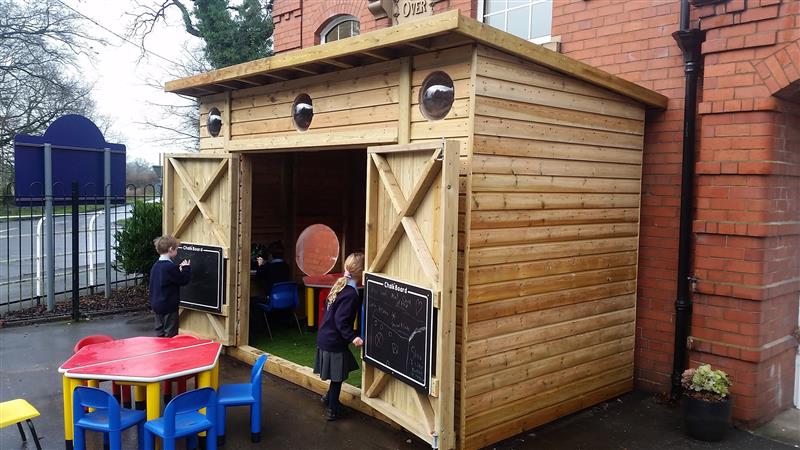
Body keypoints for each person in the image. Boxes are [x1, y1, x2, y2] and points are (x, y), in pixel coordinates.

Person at [313, 252, 364, 421]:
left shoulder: (341, 285)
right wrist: (353, 337)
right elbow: (340, 320)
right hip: (334, 340)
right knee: (338, 377)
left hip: (326, 337)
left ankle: (328, 398)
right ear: (362, 273)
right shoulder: (350, 294)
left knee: (340, 370)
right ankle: (332, 409)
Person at [149, 235, 191, 337]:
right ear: (171, 249)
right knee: (170, 333)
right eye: (176, 249)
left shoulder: (156, 266)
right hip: (169, 306)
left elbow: (167, 277)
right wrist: (186, 269)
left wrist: (177, 269)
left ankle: (160, 350)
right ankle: (169, 352)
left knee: (160, 332)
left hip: (157, 305)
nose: (177, 252)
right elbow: (183, 280)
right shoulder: (170, 267)